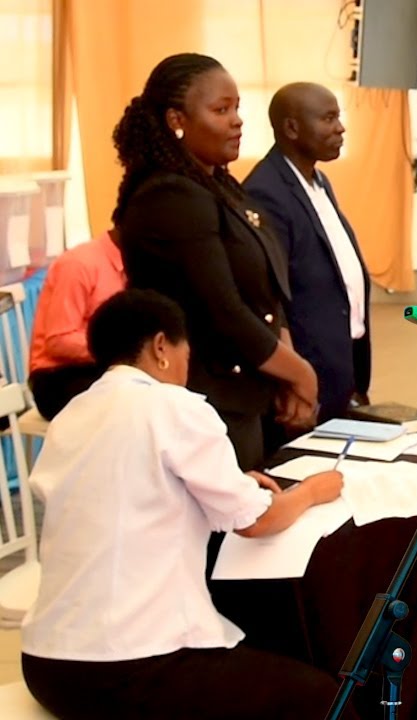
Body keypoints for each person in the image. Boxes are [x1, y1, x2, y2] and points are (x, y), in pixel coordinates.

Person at [20, 289, 353, 720]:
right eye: (186, 354)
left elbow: (131, 488)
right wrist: (311, 491)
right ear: (161, 346)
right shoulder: (172, 404)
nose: (185, 368)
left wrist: (234, 482)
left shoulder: (71, 415)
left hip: (46, 665)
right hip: (129, 664)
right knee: (322, 698)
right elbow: (258, 520)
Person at [113, 52, 318, 470]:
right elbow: (223, 309)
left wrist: (283, 365)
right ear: (177, 120)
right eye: (221, 110)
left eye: (237, 108)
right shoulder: (170, 195)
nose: (237, 121)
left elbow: (263, 289)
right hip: (202, 400)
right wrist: (300, 373)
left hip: (244, 391)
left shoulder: (218, 185)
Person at [244, 82, 371, 422]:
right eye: (328, 118)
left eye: (339, 117)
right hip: (306, 369)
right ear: (291, 128)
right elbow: (269, 293)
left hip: (341, 357)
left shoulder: (318, 180)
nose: (340, 128)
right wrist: (291, 377)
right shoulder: (266, 192)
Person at [26, 223, 126, 419]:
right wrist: (117, 350)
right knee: (130, 403)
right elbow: (59, 340)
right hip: (57, 376)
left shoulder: (136, 263)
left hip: (105, 368)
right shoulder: (79, 264)